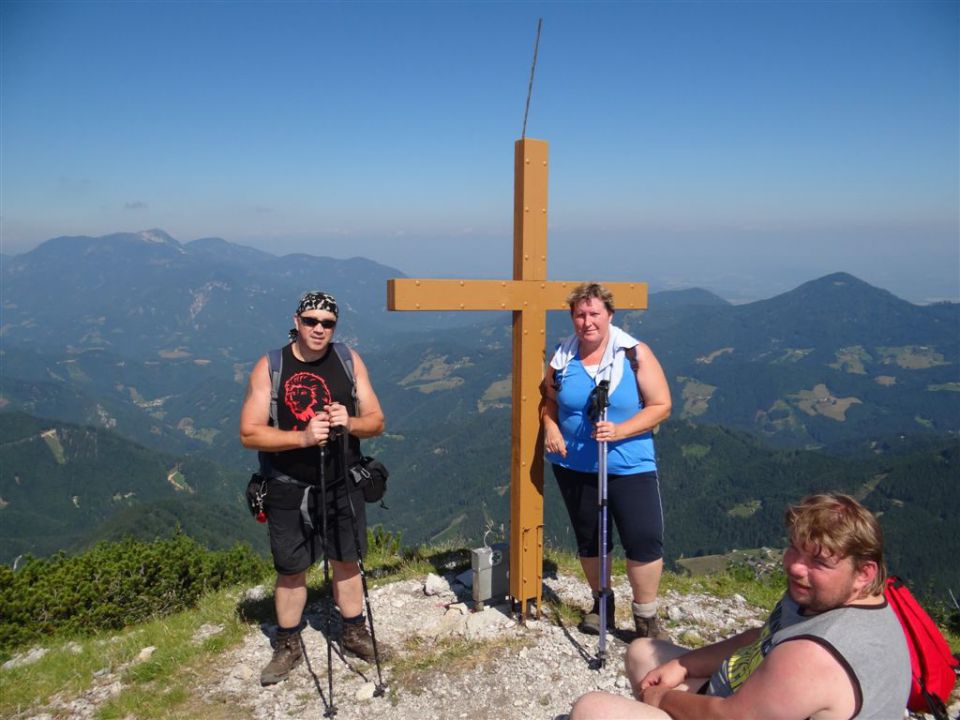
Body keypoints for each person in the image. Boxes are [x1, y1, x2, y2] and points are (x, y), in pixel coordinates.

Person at [570, 493, 911, 720]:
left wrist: (661, 699)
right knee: (642, 652)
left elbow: (732, 717)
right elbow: (762, 636)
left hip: (735, 713)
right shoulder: (826, 597)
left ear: (864, 573)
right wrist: (684, 666)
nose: (795, 567)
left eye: (819, 562)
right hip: (749, 698)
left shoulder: (818, 653)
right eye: (794, 549)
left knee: (591, 710)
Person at [240, 291, 386, 686]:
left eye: (327, 323)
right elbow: (249, 433)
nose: (319, 328)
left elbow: (376, 421)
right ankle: (288, 644)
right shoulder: (271, 366)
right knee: (291, 570)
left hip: (342, 480)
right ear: (297, 321)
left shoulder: (349, 361)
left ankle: (353, 631)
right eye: (311, 321)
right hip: (288, 487)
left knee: (347, 560)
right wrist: (303, 438)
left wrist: (350, 423)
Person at [542, 282, 672, 638]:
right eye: (580, 315)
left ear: (610, 315)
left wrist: (621, 430)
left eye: (594, 313)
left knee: (643, 537)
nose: (587, 322)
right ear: (572, 318)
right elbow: (549, 400)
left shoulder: (634, 353)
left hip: (630, 464)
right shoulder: (562, 357)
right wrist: (550, 427)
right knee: (591, 539)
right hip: (575, 465)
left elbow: (661, 405)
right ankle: (602, 603)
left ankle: (645, 616)